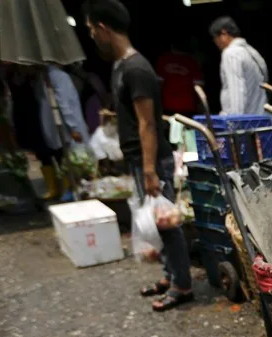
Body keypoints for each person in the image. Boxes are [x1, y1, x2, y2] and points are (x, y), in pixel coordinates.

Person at [85, 0, 193, 312]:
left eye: (92, 30)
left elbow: (147, 123)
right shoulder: (121, 67)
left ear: (104, 28)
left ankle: (183, 285)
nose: (92, 36)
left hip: (152, 160)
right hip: (138, 159)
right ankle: (171, 275)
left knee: (165, 223)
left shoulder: (136, 69)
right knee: (153, 220)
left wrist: (149, 170)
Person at [31, 65, 91, 200]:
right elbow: (64, 104)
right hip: (67, 126)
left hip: (57, 126)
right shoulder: (58, 76)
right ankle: (75, 189)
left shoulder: (45, 76)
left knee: (71, 159)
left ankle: (71, 189)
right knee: (78, 160)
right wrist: (73, 127)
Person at [209, 16, 268, 115]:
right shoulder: (252, 52)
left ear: (224, 33)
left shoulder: (231, 53)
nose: (216, 43)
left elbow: (236, 92)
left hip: (245, 123)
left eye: (215, 38)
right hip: (260, 117)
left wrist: (235, 121)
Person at [155, 45, 204, 116]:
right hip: (183, 107)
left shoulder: (192, 61)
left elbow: (159, 86)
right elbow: (199, 88)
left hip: (178, 107)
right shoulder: (193, 61)